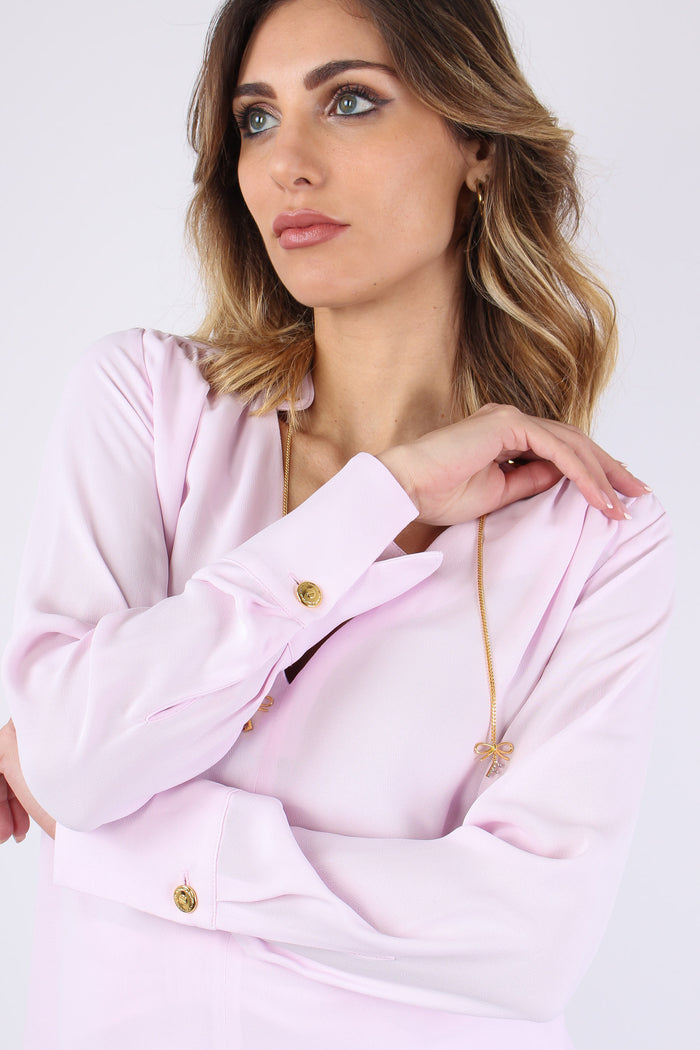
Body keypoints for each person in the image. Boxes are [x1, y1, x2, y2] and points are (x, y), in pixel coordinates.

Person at [0, 0, 672, 1047]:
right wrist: (377, 500)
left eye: (351, 102)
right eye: (256, 119)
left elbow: (525, 944)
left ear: (479, 145)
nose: (286, 165)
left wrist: (119, 842)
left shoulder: (597, 533)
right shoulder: (148, 404)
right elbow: (73, 763)